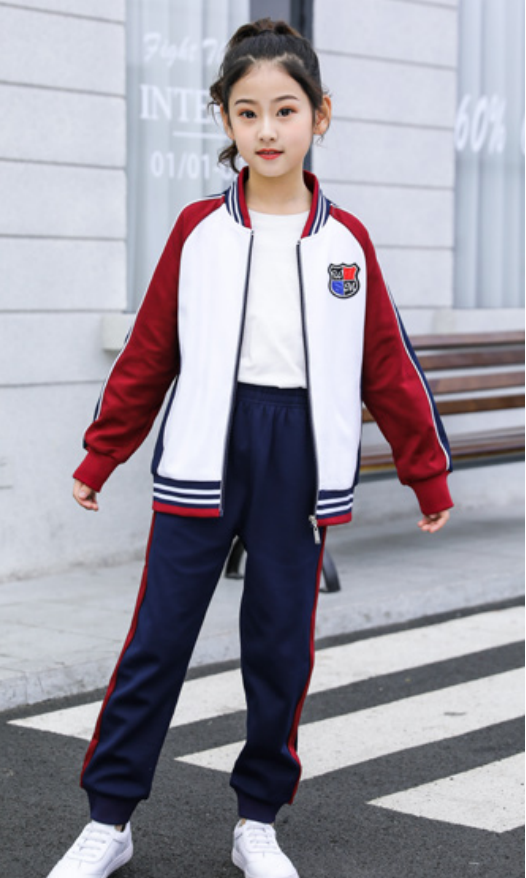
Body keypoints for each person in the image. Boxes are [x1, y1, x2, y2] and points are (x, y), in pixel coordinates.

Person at [46, 18, 452, 878]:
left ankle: (257, 821)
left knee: (279, 651)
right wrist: (100, 455)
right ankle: (109, 820)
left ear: (320, 115)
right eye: (248, 112)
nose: (267, 130)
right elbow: (149, 352)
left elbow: (387, 363)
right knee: (157, 643)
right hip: (204, 455)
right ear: (226, 120)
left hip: (297, 466)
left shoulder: (346, 243)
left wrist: (427, 472)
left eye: (285, 110)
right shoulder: (199, 231)